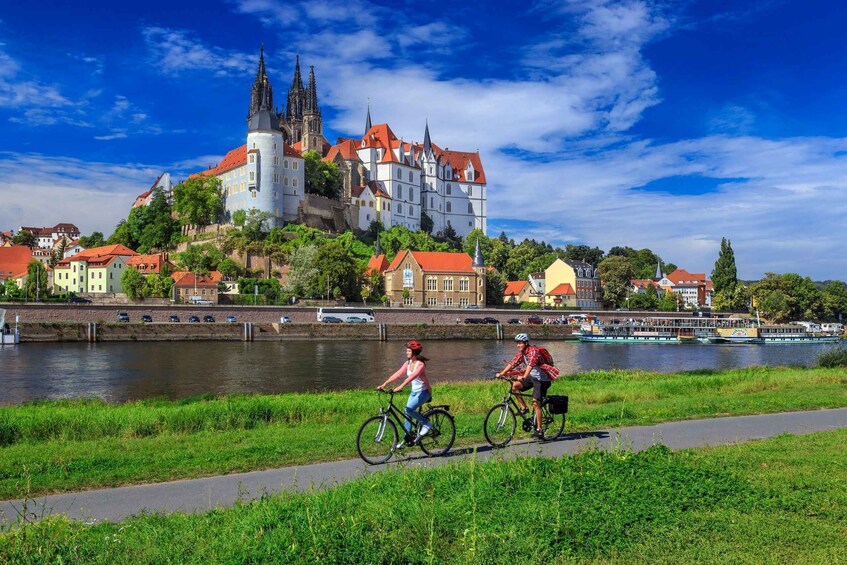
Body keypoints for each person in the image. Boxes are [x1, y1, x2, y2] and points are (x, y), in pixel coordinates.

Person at [378, 340, 434, 449]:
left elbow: (413, 376)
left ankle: (426, 424)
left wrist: (401, 386)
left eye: (408, 351)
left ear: (414, 352)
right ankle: (406, 438)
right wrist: (385, 384)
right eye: (407, 351)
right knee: (407, 413)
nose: (406, 353)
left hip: (424, 392)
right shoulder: (407, 363)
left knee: (408, 409)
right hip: (414, 392)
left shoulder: (420, 364)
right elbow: (398, 374)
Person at [495, 333, 552, 439]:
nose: (518, 345)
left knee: (536, 403)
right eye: (517, 343)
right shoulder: (522, 353)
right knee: (515, 386)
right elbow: (513, 363)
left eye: (520, 343)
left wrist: (524, 376)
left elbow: (531, 364)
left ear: (526, 343)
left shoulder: (534, 351)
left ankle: (539, 430)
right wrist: (502, 373)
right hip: (532, 377)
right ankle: (523, 407)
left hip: (542, 379)